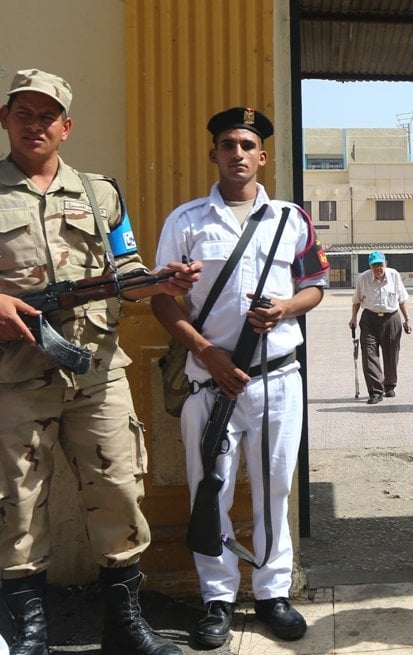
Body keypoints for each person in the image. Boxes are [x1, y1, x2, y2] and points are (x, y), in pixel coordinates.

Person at [0, 69, 201, 655]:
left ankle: (126, 628)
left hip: (96, 369)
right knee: (17, 501)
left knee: (119, 491)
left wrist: (162, 282)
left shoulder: (100, 194)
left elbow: (127, 272)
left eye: (47, 115)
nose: (35, 124)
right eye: (24, 113)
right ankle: (30, 636)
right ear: (5, 118)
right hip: (14, 379)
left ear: (67, 127)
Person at [151, 107, 328, 648]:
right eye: (228, 145)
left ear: (262, 156)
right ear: (214, 154)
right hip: (210, 380)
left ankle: (273, 594)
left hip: (276, 377)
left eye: (247, 145)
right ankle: (218, 598)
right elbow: (161, 297)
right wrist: (206, 352)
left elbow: (316, 284)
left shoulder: (291, 219)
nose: (237, 154)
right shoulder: (185, 221)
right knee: (212, 491)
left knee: (275, 487)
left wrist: (286, 308)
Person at [348, 251, 411, 404]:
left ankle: (389, 385)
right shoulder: (363, 279)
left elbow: (402, 299)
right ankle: (375, 391)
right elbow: (356, 300)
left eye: (380, 264)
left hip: (391, 318)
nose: (378, 268)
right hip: (369, 318)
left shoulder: (394, 275)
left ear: (386, 264)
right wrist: (353, 317)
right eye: (374, 265)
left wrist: (407, 319)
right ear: (370, 266)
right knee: (369, 354)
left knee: (391, 354)